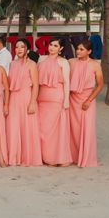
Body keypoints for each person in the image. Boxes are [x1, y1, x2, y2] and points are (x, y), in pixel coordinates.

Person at [6, 39, 42, 166]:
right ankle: (14, 157)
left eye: (22, 47)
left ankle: (28, 157)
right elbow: (9, 85)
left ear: (27, 49)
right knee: (13, 127)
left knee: (27, 127)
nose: (19, 49)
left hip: (27, 97)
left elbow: (36, 85)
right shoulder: (12, 64)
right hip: (14, 99)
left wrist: (32, 102)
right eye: (17, 47)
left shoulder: (32, 64)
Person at [37, 38, 72, 166]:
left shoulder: (64, 62)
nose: (51, 47)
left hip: (57, 97)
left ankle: (56, 157)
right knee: (43, 129)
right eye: (51, 45)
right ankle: (46, 157)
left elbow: (67, 82)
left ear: (61, 48)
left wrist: (66, 100)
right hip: (42, 98)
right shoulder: (41, 59)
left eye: (55, 46)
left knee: (56, 130)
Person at [69, 40, 103, 167]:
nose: (78, 51)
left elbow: (100, 85)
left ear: (89, 51)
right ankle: (74, 156)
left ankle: (86, 158)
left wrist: (89, 100)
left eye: (82, 49)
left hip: (87, 99)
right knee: (74, 130)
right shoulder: (71, 62)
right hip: (72, 100)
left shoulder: (95, 65)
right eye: (78, 48)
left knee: (87, 128)